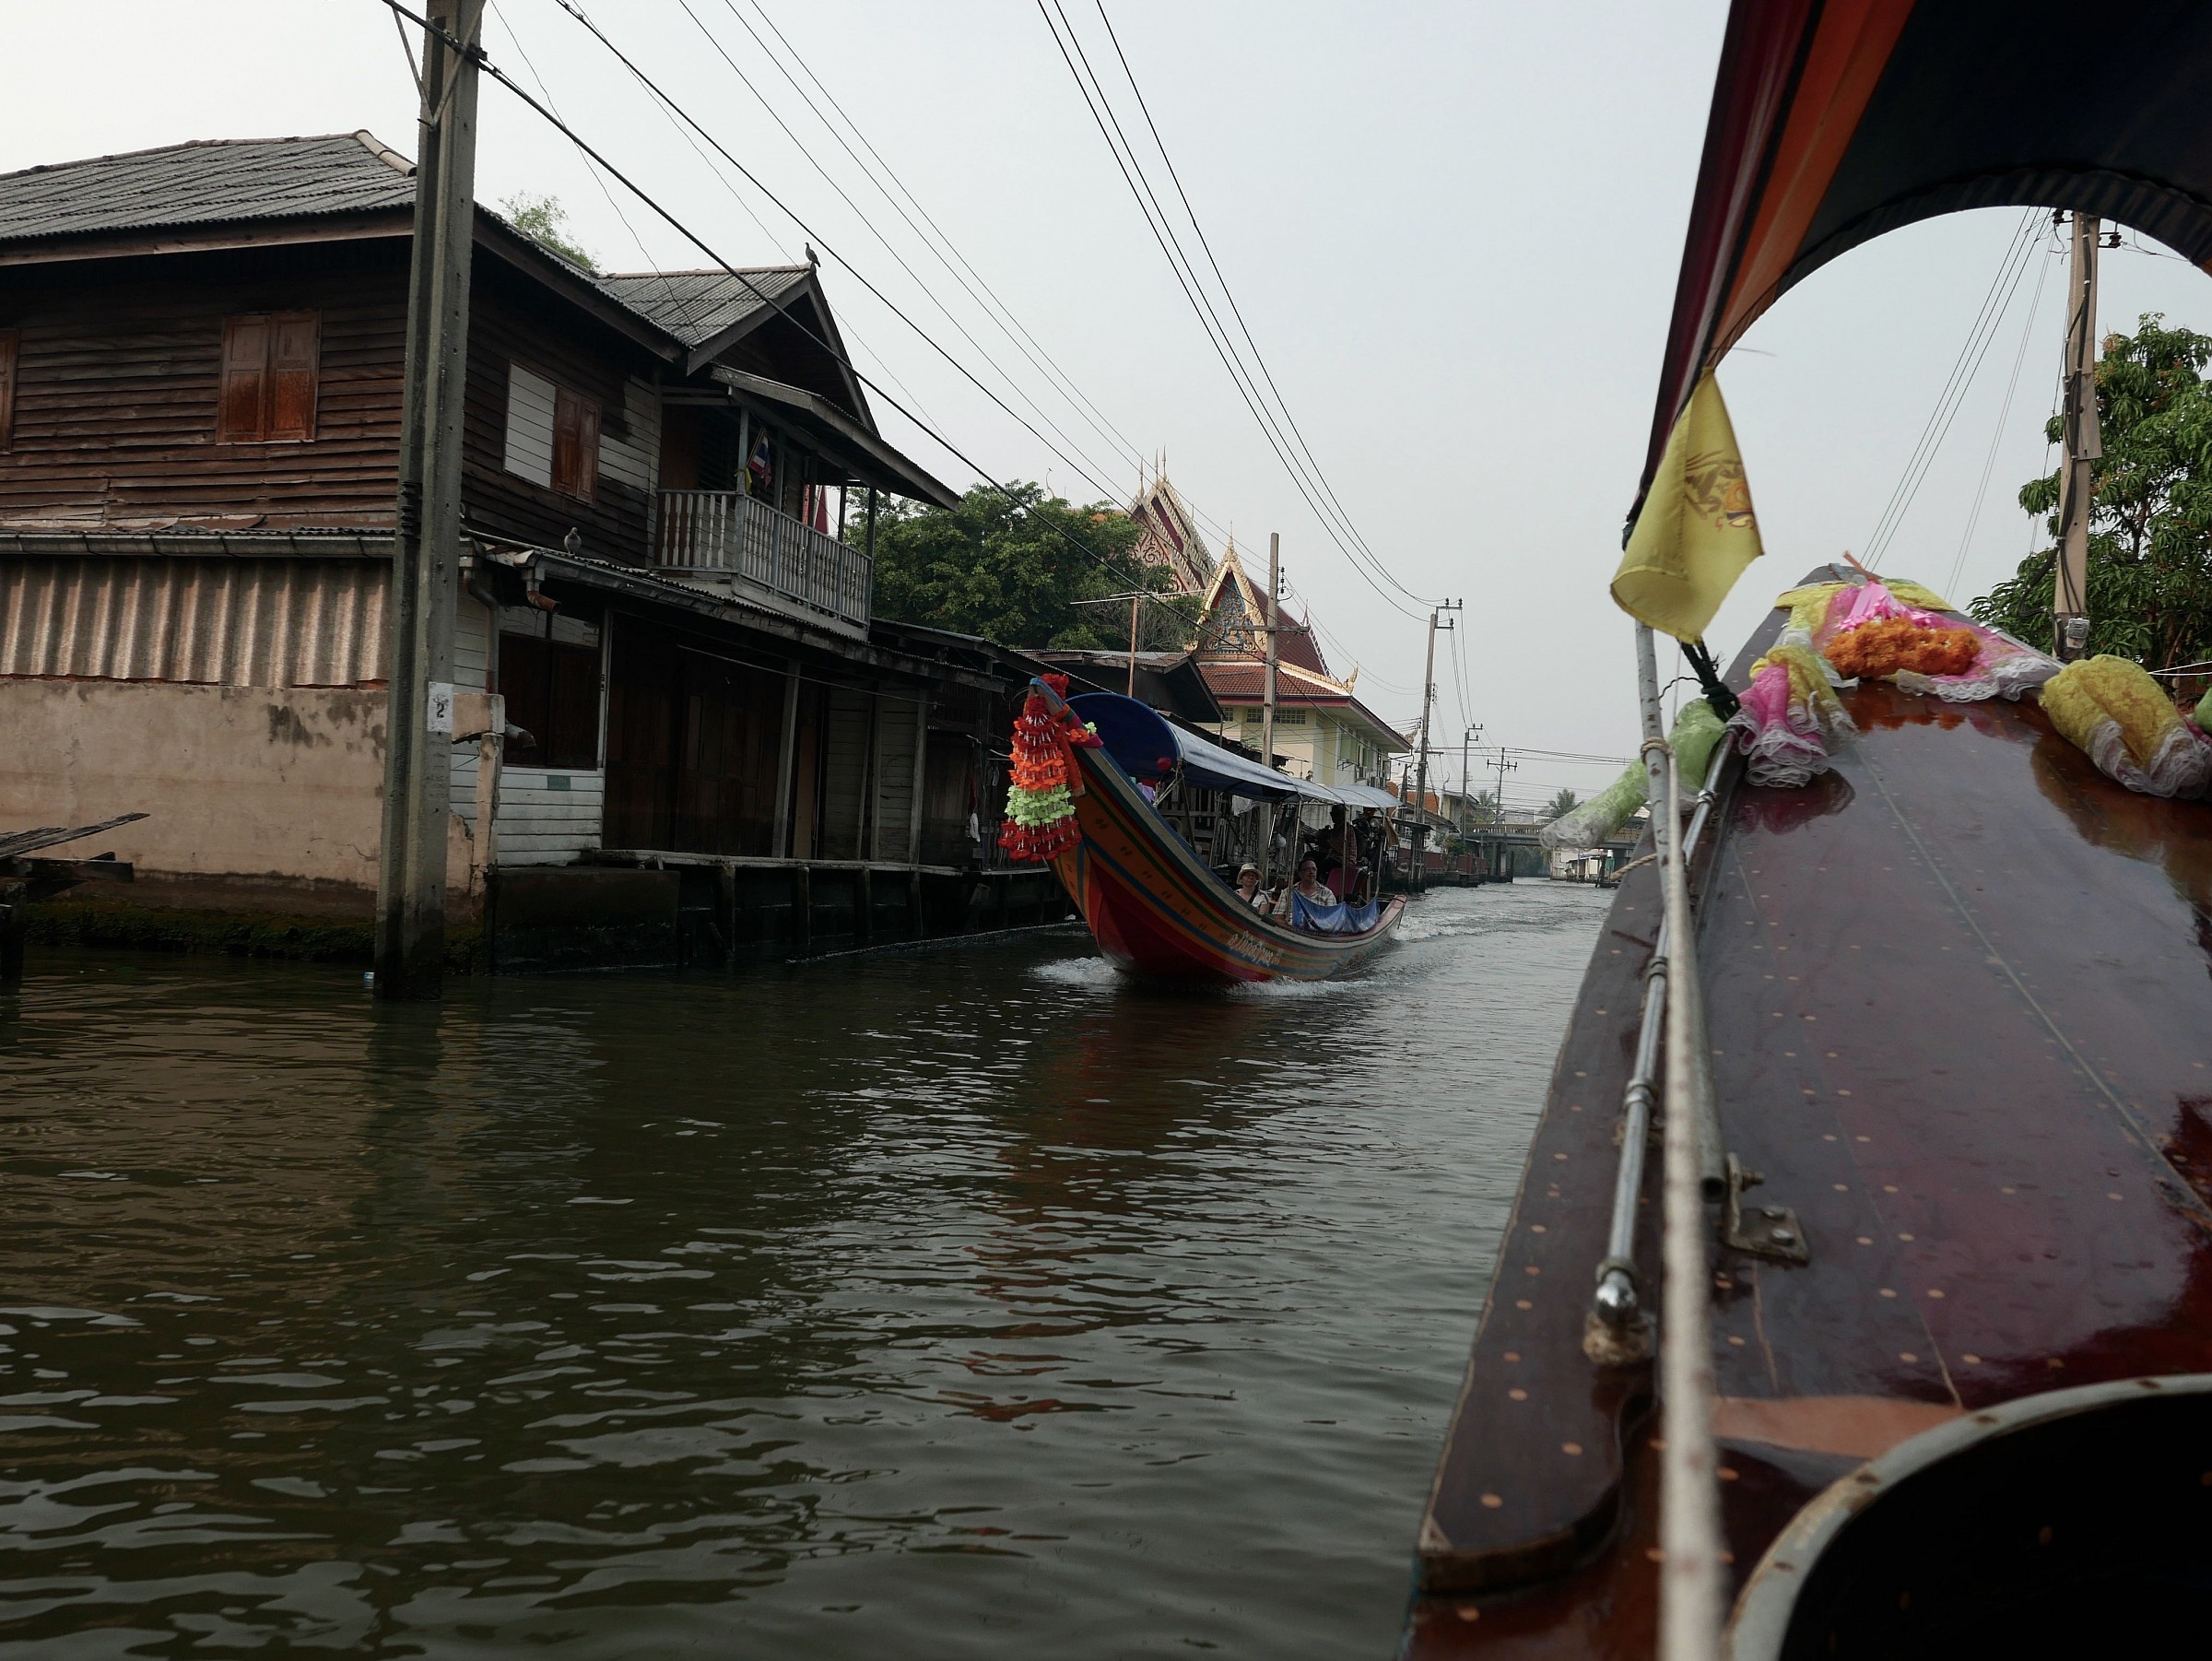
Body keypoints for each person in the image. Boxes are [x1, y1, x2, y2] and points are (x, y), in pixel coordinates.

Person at [1272, 856, 1329, 924]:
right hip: (1291, 928)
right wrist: (1290, 928)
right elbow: (1278, 918)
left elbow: (1332, 920)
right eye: (1307, 869)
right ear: (1300, 873)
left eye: (1314, 869)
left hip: (1318, 929)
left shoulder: (1327, 894)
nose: (1311, 872)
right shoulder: (1288, 892)